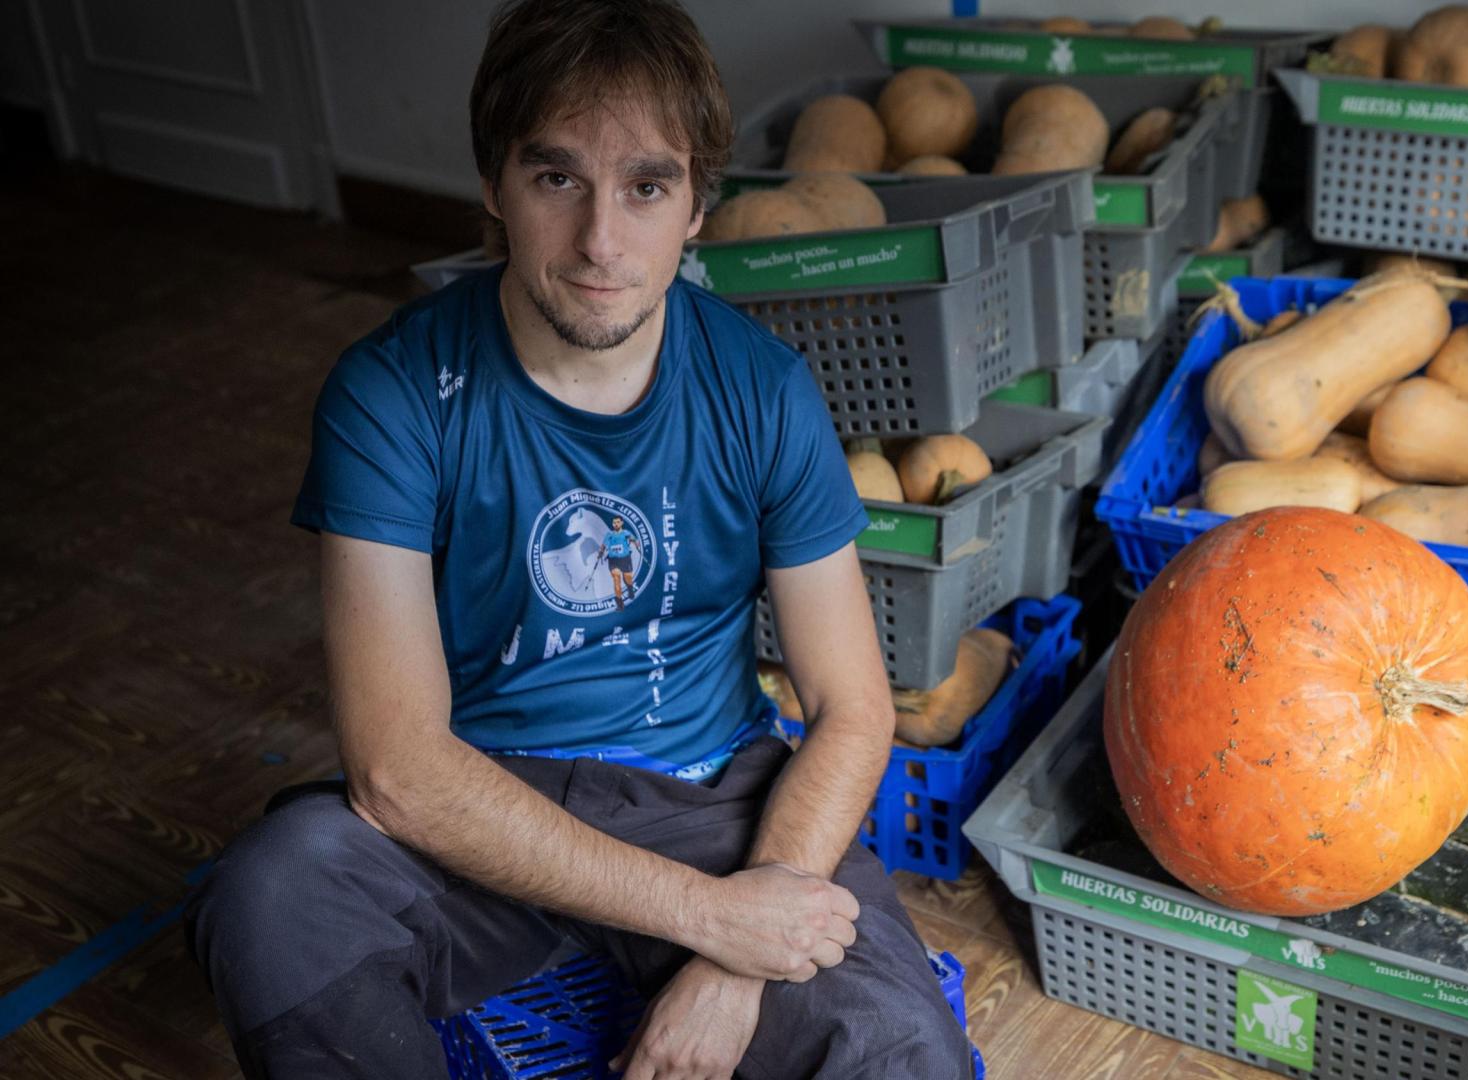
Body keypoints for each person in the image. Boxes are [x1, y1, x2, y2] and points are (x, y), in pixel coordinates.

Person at [182, 1, 973, 1076]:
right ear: (493, 187)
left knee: (895, 1046)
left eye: (646, 187)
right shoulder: (394, 392)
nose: (602, 240)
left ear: (697, 205)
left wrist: (737, 953)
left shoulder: (764, 390)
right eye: (557, 178)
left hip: (710, 794)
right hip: (484, 809)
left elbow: (851, 709)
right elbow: (399, 773)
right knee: (274, 896)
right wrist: (708, 915)